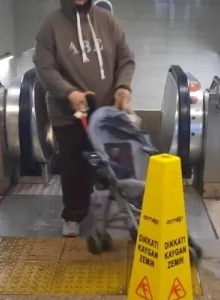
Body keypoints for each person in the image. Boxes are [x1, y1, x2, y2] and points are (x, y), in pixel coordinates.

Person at [34, 0, 135, 237]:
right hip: (68, 115)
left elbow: (126, 59)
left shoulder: (107, 20)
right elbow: (44, 67)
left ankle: (126, 210)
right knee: (74, 165)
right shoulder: (51, 25)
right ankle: (74, 214)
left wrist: (122, 87)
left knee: (118, 161)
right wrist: (69, 92)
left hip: (107, 111)